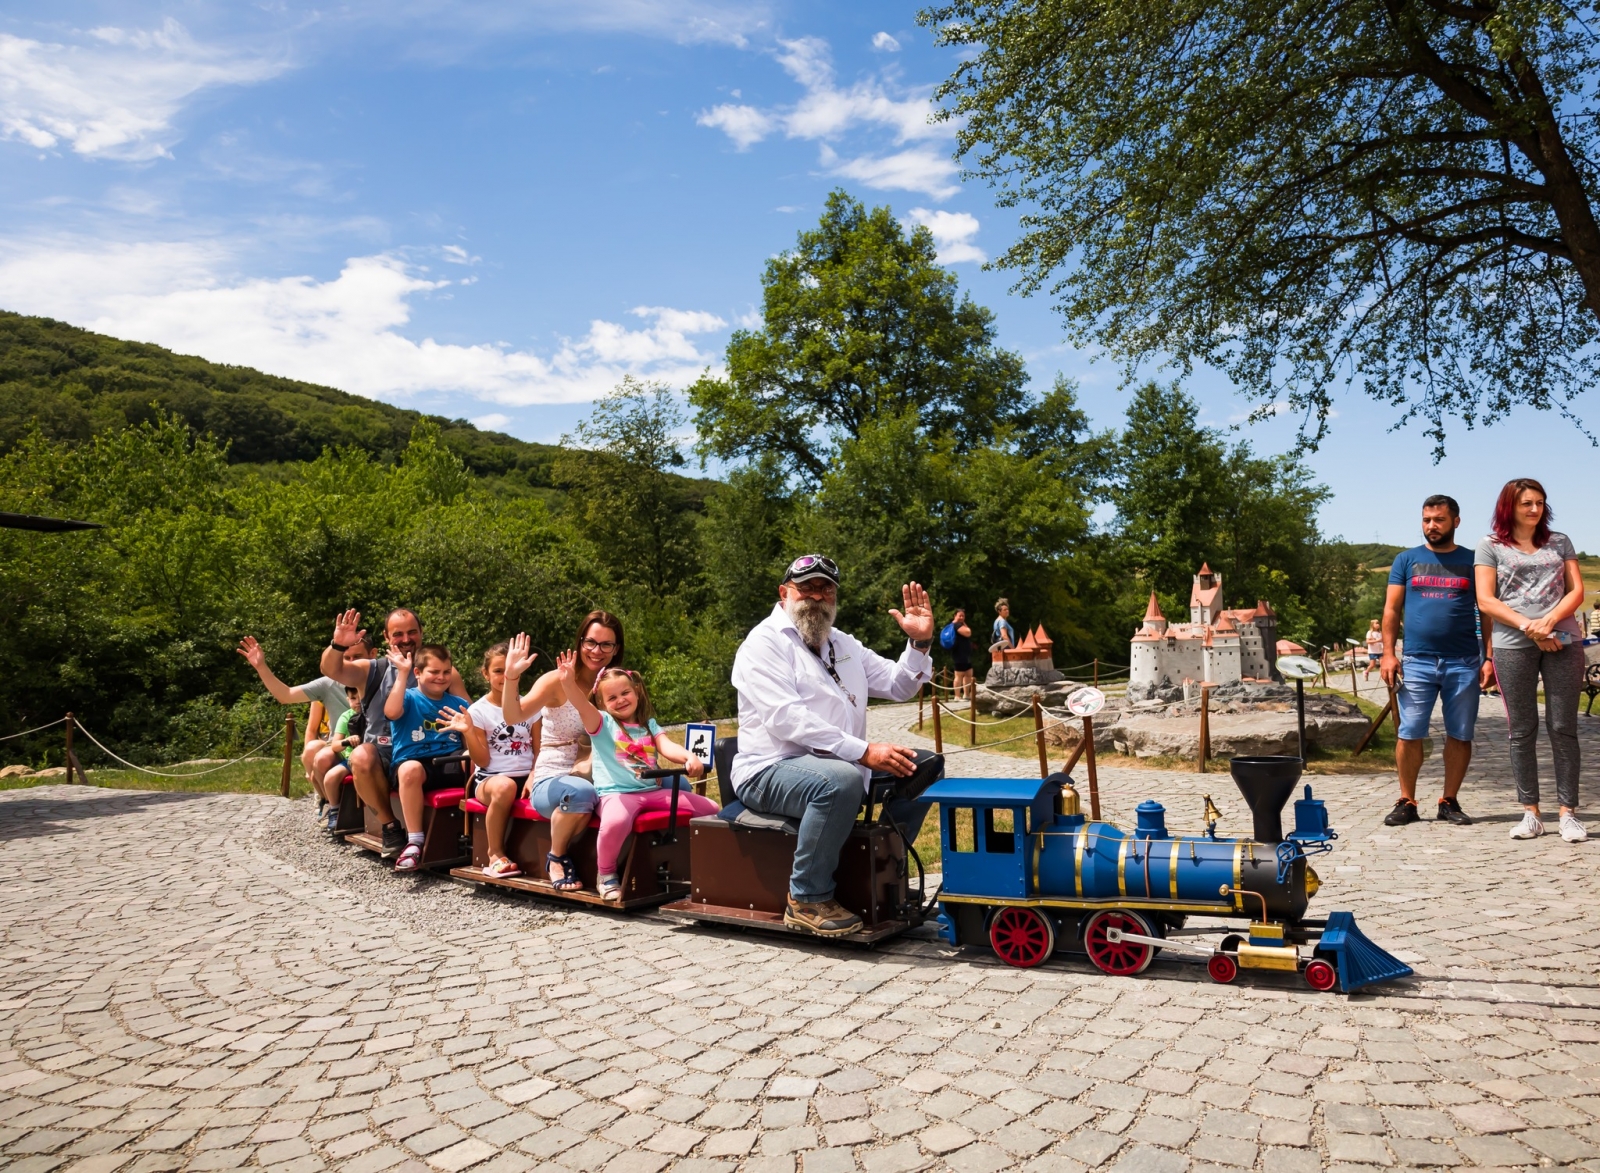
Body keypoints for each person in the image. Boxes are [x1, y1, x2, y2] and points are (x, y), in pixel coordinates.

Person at [730, 554, 942, 937]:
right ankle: (807, 899)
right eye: (806, 587)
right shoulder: (762, 645)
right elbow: (787, 718)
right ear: (784, 593)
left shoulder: (842, 643)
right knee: (840, 780)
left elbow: (899, 685)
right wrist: (862, 751)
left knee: (924, 766)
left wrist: (919, 641)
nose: (817, 595)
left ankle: (881, 872)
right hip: (768, 769)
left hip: (835, 764)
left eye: (826, 588)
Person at [1474, 478, 1588, 843]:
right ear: (1510, 506)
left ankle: (1569, 814)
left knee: (1562, 727)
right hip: (1512, 644)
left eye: (1539, 502)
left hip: (1562, 640)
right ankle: (1531, 814)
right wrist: (1530, 627)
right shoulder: (1489, 546)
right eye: (1526, 503)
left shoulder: (1560, 542)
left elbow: (1577, 592)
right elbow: (1486, 600)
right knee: (1521, 730)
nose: (1535, 509)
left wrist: (1550, 623)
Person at [554, 652, 718, 901]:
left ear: (637, 693)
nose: (620, 700)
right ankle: (606, 873)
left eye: (625, 693)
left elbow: (666, 746)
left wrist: (688, 757)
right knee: (616, 822)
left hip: (652, 792)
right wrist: (568, 683)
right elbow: (581, 705)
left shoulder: (648, 724)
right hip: (617, 793)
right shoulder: (602, 723)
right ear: (602, 703)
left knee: (711, 809)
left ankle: (706, 866)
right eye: (612, 697)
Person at [1379, 495, 1493, 828]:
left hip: (1464, 661)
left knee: (1460, 734)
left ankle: (1449, 801)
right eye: (1427, 519)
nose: (1432, 526)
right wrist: (1388, 653)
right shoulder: (1406, 560)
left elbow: (1486, 612)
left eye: (1439, 520)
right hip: (1417, 661)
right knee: (1409, 732)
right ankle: (1406, 800)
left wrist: (1488, 657)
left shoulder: (1474, 561)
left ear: (1455, 522)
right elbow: (1391, 610)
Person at [318, 609, 471, 857]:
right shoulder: (372, 670)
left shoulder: (444, 673)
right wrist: (338, 645)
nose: (406, 639)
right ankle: (390, 826)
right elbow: (330, 670)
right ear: (387, 637)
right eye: (397, 634)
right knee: (361, 756)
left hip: (432, 753)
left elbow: (469, 714)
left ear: (421, 633)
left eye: (412, 632)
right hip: (385, 754)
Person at [500, 612, 627, 891]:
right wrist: (511, 677)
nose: (597, 651)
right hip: (556, 775)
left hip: (605, 774)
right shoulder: (556, 681)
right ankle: (556, 857)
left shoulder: (616, 683)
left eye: (607, 645)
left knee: (672, 784)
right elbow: (512, 716)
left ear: (616, 649)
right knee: (581, 793)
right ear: (580, 641)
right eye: (591, 642)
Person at [237, 634, 366, 816]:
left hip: (370, 744)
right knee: (315, 752)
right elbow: (286, 695)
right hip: (340, 745)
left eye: (358, 657)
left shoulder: (378, 678)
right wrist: (261, 667)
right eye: (346, 658)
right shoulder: (329, 684)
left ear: (372, 656)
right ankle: (328, 803)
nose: (351, 663)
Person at [383, 644, 473, 872]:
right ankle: (415, 840)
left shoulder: (458, 704)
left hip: (449, 760)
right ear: (418, 673)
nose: (441, 677)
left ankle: (479, 832)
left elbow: (471, 742)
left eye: (446, 672)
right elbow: (391, 713)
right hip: (416, 763)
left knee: (473, 758)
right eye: (434, 672)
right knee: (410, 769)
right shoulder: (408, 697)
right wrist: (402, 673)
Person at [467, 641, 542, 879]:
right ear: (486, 674)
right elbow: (483, 760)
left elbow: (540, 751)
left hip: (527, 777)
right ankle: (494, 854)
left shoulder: (531, 705)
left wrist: (534, 774)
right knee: (505, 786)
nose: (503, 675)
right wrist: (467, 731)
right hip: (490, 780)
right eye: (498, 670)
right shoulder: (478, 711)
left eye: (510, 669)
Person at [319, 683, 364, 832]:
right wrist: (347, 741)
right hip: (350, 760)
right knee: (330, 777)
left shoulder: (373, 713)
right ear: (347, 700)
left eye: (359, 697)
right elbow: (335, 745)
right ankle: (334, 810)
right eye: (352, 698)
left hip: (370, 760)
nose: (357, 701)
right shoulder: (346, 717)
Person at [948, 609, 974, 699]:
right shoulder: (956, 625)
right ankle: (957, 696)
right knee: (958, 676)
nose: (962, 617)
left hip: (965, 654)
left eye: (963, 616)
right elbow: (968, 633)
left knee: (968, 674)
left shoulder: (960, 624)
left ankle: (966, 694)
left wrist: (964, 623)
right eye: (960, 615)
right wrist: (964, 625)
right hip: (959, 654)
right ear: (955, 616)